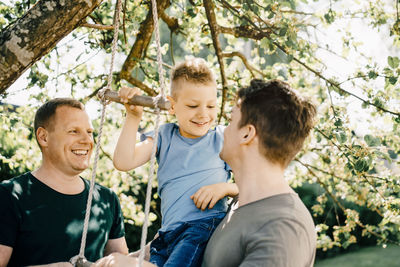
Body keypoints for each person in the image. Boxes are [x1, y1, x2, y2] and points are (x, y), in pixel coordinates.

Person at [92, 78, 317, 267]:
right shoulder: (234, 209)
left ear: (246, 134)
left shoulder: (283, 227)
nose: (219, 128)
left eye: (230, 121)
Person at [113, 57, 238, 267]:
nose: (203, 114)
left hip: (202, 227)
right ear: (172, 106)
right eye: (192, 105)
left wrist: (224, 188)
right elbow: (123, 161)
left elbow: (253, 185)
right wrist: (133, 117)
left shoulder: (223, 138)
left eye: (211, 106)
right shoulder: (164, 136)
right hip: (166, 234)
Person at [0, 98, 129, 267]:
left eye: (89, 132)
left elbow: (119, 262)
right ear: (43, 137)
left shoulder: (107, 199)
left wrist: (149, 250)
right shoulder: (10, 195)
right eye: (73, 131)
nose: (86, 140)